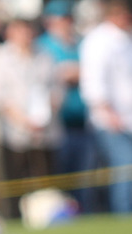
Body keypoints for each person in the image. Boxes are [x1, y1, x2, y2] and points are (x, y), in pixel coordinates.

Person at [0, 16, 62, 220]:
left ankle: (45, 215)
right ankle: (14, 217)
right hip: (14, 132)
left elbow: (56, 89)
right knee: (15, 179)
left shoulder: (45, 56)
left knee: (45, 177)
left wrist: (43, 115)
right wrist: (23, 120)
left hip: (44, 130)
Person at [80, 0, 132, 215]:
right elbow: (94, 83)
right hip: (112, 120)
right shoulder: (98, 41)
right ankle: (123, 214)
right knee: (124, 168)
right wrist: (109, 114)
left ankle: (129, 211)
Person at [38, 0, 93, 212]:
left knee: (83, 176)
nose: (64, 23)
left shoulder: (81, 43)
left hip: (83, 122)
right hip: (58, 123)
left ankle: (83, 211)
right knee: (60, 175)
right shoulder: (43, 45)